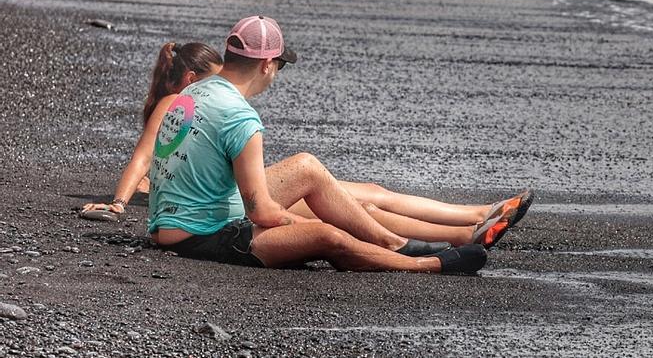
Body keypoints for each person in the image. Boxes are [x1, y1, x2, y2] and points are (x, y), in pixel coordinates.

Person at [83, 42, 531, 247]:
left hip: (222, 194)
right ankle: (461, 232)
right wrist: (120, 202)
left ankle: (473, 220)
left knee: (364, 193)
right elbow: (143, 157)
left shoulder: (198, 98)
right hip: (214, 206)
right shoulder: (184, 102)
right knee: (354, 202)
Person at [144, 16, 500, 272]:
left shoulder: (190, 93)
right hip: (199, 235)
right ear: (267, 65)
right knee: (329, 235)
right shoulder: (240, 117)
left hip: (175, 220)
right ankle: (426, 263)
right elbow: (261, 214)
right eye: (279, 66)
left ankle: (393, 240)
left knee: (306, 166)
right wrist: (306, 228)